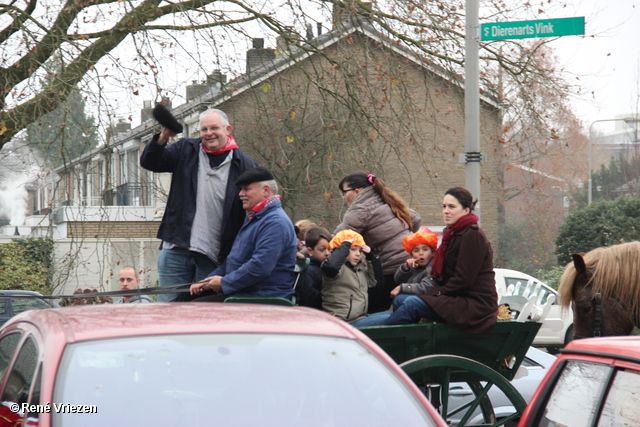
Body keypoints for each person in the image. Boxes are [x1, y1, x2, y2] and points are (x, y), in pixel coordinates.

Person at [140, 108, 257, 302]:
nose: (209, 133)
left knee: (203, 314)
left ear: (228, 129)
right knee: (168, 311)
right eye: (204, 129)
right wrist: (163, 137)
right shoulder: (186, 150)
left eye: (214, 128)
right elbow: (151, 162)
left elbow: (257, 211)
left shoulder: (244, 166)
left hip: (213, 257)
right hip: (176, 248)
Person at [378, 187, 498, 332]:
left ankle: (383, 343)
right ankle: (411, 341)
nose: (446, 211)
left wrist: (433, 294)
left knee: (412, 304)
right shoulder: (452, 234)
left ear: (466, 210)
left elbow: (463, 281)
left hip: (473, 304)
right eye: (444, 206)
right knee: (400, 299)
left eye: (452, 207)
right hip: (457, 297)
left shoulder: (472, 235)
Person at [185, 167, 298, 302]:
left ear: (266, 191)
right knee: (184, 298)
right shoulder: (256, 218)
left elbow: (260, 267)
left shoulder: (275, 223)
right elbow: (234, 260)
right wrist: (206, 281)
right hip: (246, 291)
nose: (240, 194)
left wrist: (224, 283)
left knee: (193, 308)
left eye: (246, 189)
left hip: (263, 296)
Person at [334, 172, 421, 313]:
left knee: (367, 308)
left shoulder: (360, 208)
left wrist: (308, 248)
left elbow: (337, 238)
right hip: (411, 263)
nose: (343, 197)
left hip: (390, 269)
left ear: (357, 191)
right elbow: (416, 219)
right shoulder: (385, 199)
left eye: (344, 192)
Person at [320, 230, 389, 327]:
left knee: (395, 314)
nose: (358, 254)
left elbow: (377, 283)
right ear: (341, 250)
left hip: (360, 318)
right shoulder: (335, 269)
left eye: (360, 251)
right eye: (353, 249)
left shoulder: (359, 268)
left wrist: (371, 257)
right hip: (342, 322)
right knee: (393, 318)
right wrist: (345, 244)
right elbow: (331, 266)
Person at [390, 230, 440, 307]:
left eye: (425, 249)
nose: (420, 253)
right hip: (412, 302)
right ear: (412, 255)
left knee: (400, 299)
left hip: (427, 302)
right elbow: (398, 280)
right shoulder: (414, 266)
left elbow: (426, 287)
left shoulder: (433, 267)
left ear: (433, 253)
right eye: (416, 250)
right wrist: (405, 268)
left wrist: (402, 288)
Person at [295, 227, 332, 309]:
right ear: (310, 251)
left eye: (330, 249)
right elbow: (308, 298)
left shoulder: (326, 266)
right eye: (322, 250)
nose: (327, 253)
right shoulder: (308, 271)